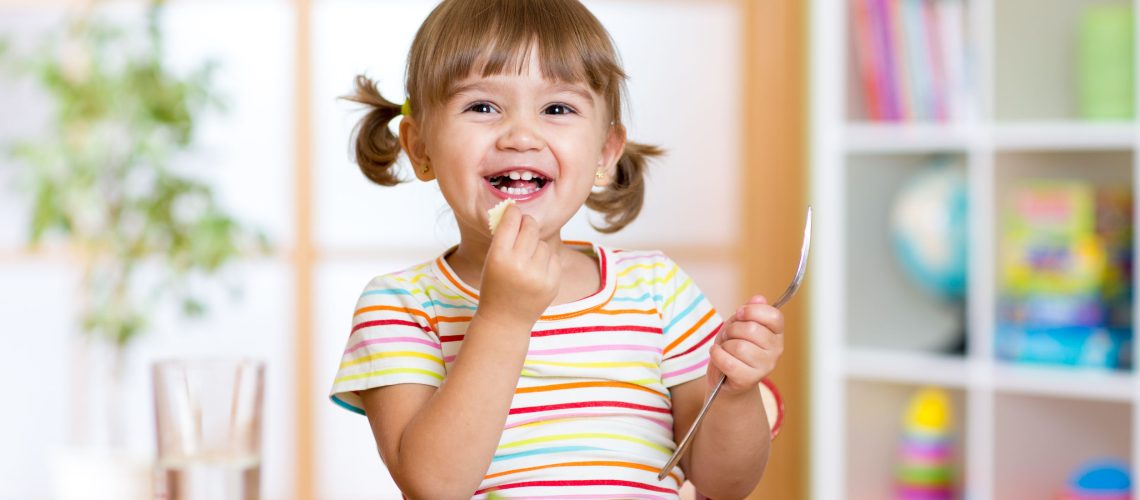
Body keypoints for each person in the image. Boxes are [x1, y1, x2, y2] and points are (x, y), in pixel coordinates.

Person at [327, 0, 785, 497]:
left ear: (605, 154)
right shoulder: (401, 306)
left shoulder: (656, 289)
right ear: (420, 147)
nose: (522, 136)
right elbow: (432, 486)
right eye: (482, 106)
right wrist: (504, 317)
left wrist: (735, 395)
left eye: (557, 109)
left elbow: (724, 484)